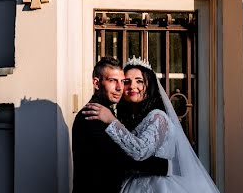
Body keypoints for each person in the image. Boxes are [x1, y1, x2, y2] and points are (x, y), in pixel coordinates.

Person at [83, 58, 220, 193]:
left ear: (150, 85)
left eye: (139, 81)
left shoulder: (158, 117)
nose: (132, 86)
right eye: (127, 81)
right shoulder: (129, 119)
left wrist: (111, 120)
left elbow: (140, 152)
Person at [72, 57, 170, 192]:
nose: (119, 88)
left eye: (122, 81)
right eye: (112, 80)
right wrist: (167, 165)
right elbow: (122, 159)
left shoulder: (108, 114)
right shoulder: (93, 114)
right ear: (96, 83)